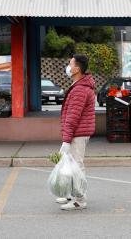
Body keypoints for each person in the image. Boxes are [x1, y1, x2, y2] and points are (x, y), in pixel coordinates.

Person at [57, 54, 96, 210]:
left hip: (78, 134)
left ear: (77, 69)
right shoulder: (79, 86)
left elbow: (72, 117)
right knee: (71, 165)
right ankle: (71, 195)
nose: (68, 66)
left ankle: (79, 200)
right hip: (77, 132)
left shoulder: (80, 89)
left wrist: (66, 140)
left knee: (76, 167)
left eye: (70, 63)